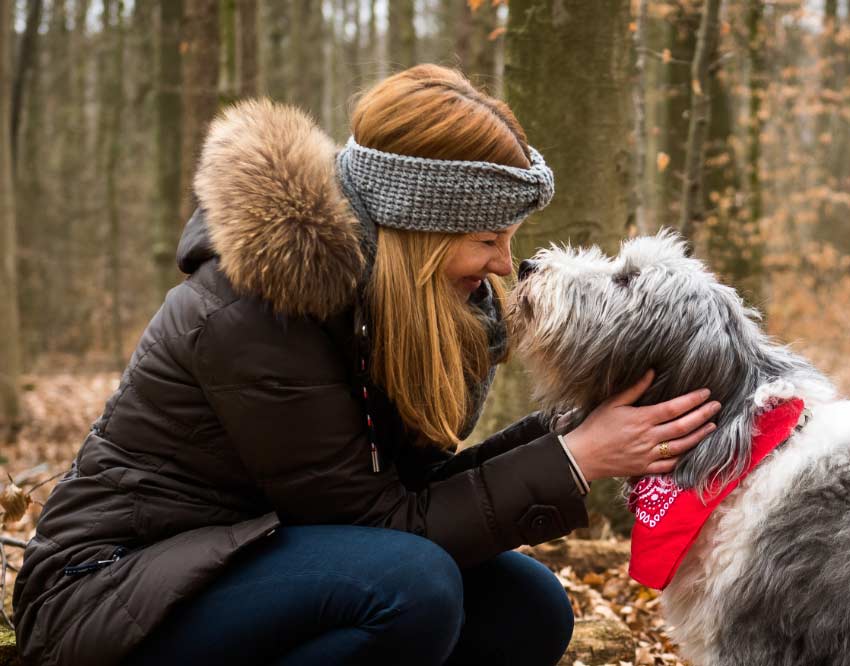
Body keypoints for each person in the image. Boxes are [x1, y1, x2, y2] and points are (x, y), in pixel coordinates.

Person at [12, 65, 720, 666]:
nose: (507, 265)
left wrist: (571, 431)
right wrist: (574, 460)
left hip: (247, 554)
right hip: (110, 591)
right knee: (413, 588)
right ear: (420, 231)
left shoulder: (393, 305)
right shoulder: (256, 310)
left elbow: (400, 493)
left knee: (528, 607)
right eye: (487, 240)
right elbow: (379, 524)